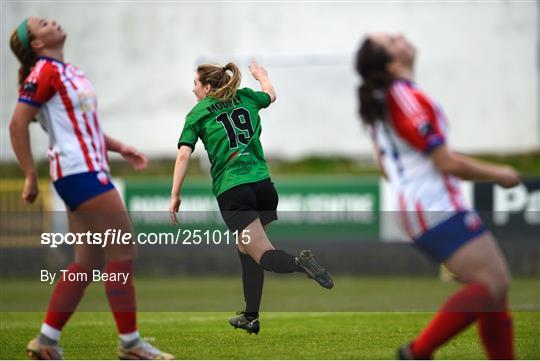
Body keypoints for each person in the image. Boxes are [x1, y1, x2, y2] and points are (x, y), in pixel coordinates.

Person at [9, 17, 173, 360]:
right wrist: (28, 174)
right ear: (37, 44)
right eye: (42, 24)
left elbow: (83, 126)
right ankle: (131, 345)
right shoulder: (45, 71)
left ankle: (45, 342)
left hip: (85, 171)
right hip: (79, 172)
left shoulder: (68, 71)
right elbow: (17, 122)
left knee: (88, 261)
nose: (51, 21)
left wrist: (120, 147)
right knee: (123, 251)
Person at [355, 33, 518, 360]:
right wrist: (500, 173)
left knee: (494, 291)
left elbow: (385, 165)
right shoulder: (402, 97)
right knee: (492, 283)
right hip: (433, 207)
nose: (401, 37)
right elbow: (444, 160)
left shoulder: (387, 99)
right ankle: (417, 353)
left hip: (423, 207)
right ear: (392, 61)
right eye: (391, 40)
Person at [169, 59, 334, 335]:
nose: (193, 90)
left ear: (208, 87)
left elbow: (184, 154)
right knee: (246, 249)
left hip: (234, 190)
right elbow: (271, 94)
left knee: (263, 253)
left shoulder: (198, 113)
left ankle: (300, 264)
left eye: (196, 84)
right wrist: (262, 76)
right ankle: (251, 316)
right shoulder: (245, 97)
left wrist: (175, 194)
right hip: (263, 187)